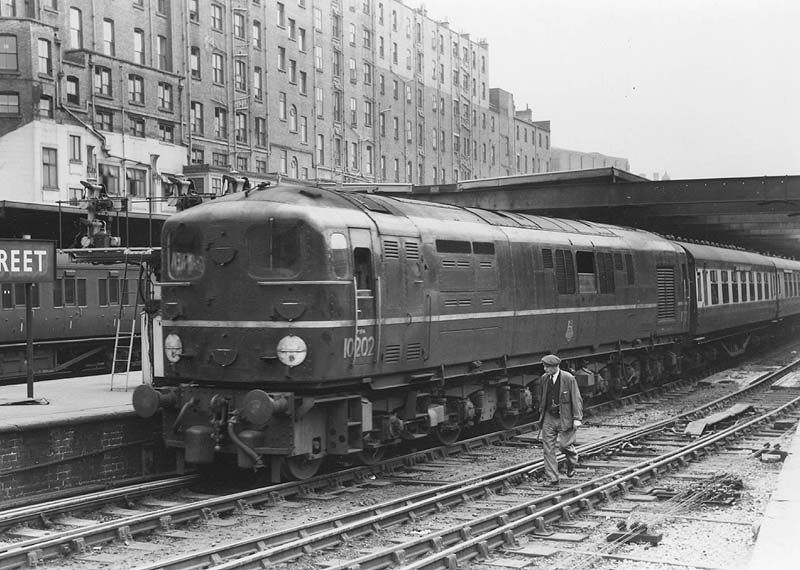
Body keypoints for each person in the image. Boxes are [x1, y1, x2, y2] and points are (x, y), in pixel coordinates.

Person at [537, 354, 583, 486]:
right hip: (549, 417)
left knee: (564, 445)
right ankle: (553, 478)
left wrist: (577, 418)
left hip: (565, 417)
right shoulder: (544, 378)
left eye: (547, 367)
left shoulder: (568, 378)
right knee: (548, 448)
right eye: (544, 366)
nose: (545, 369)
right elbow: (543, 397)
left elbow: (576, 398)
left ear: (555, 367)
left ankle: (572, 462)